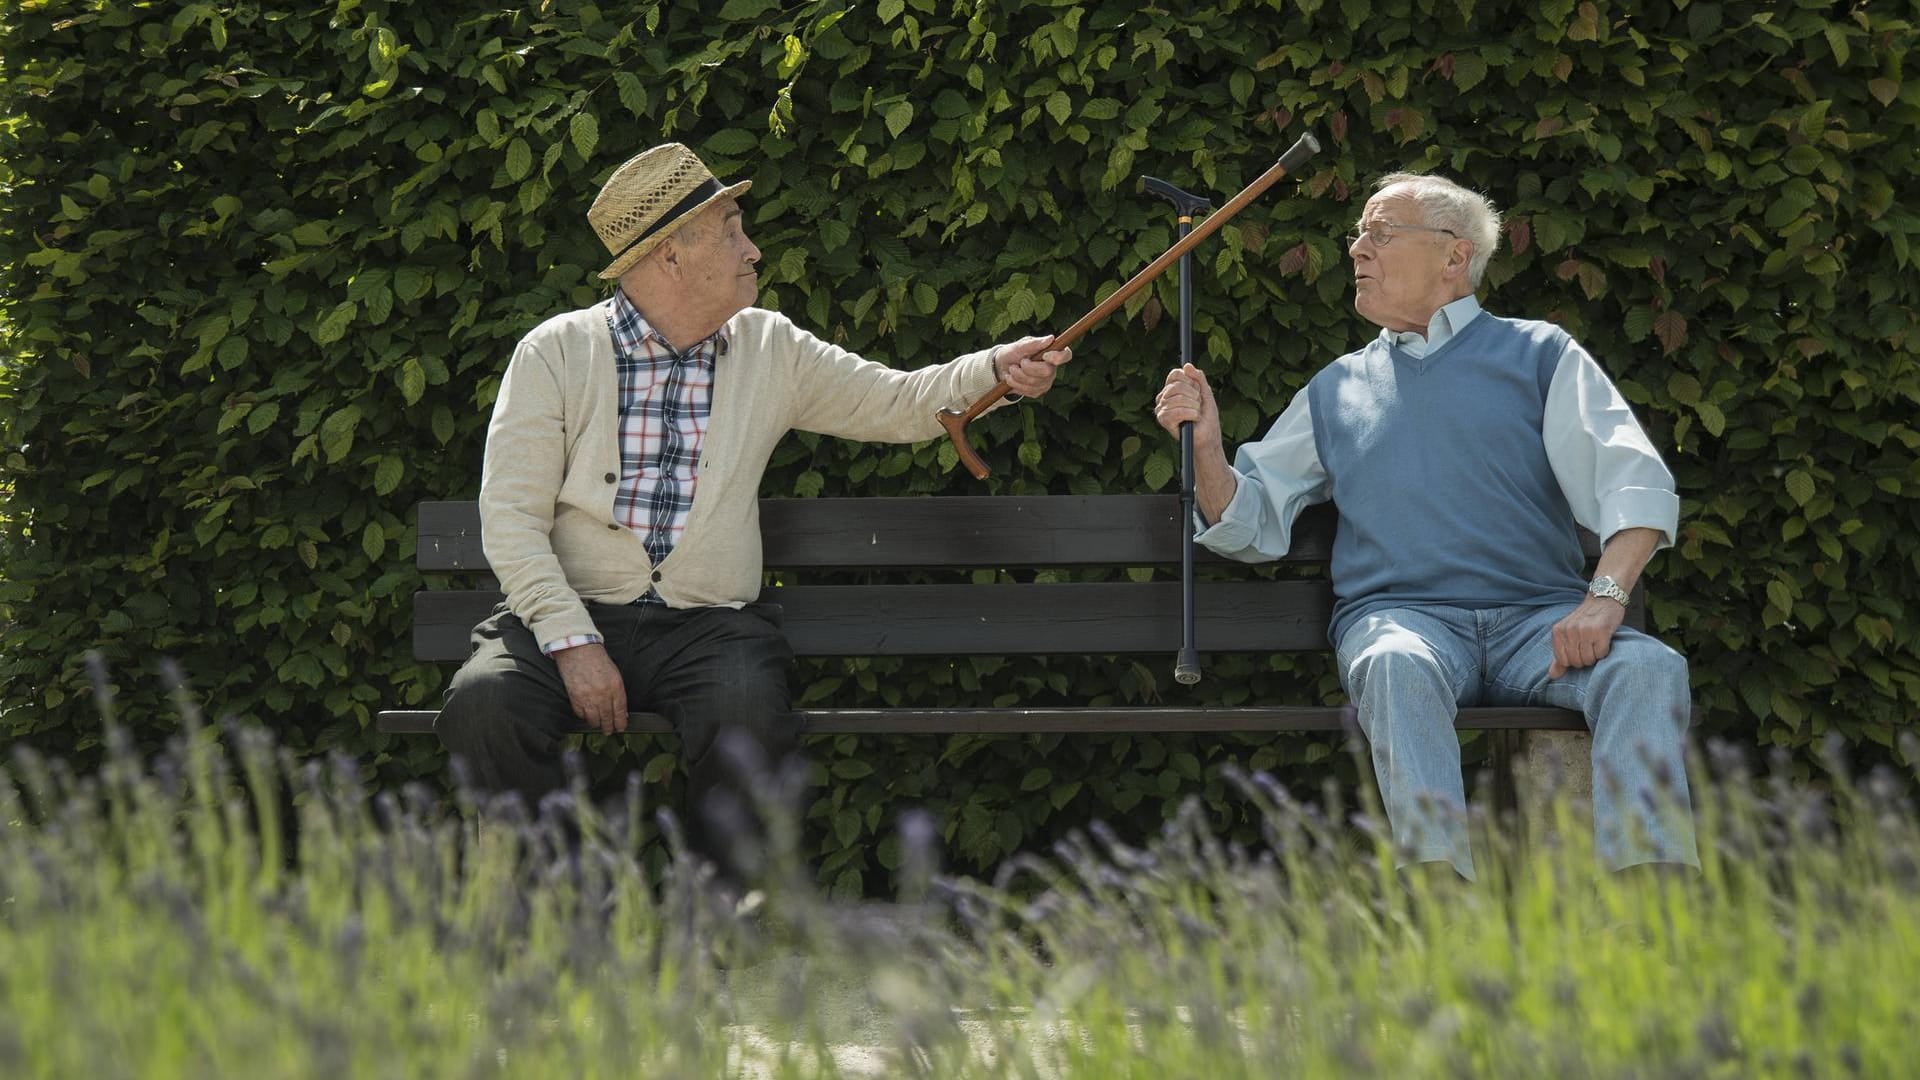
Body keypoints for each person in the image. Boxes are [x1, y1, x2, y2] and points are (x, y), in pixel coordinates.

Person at [437, 143, 1069, 884]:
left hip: (707, 623)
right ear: (672, 255)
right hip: (566, 614)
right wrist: (573, 643)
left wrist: (995, 371)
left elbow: (896, 400)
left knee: (748, 713)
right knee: (482, 705)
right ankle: (552, 905)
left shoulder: (771, 347)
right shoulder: (555, 353)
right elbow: (510, 517)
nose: (753, 249)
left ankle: (714, 914)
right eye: (733, 229)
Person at [1152, 171, 1698, 881]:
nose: (1357, 250)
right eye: (1358, 235)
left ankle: (1649, 905)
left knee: (1649, 668)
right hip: (1406, 621)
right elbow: (1250, 523)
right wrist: (1207, 449)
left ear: (1454, 257)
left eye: (1380, 234)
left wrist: (1605, 599)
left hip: (1539, 626)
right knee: (1394, 663)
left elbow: (1635, 483)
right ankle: (1440, 898)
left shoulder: (1542, 354)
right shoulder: (1335, 387)